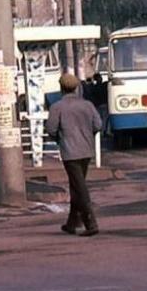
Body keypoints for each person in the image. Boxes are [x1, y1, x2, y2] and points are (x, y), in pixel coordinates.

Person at [46, 73, 102, 237]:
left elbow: (51, 129)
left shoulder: (57, 107)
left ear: (61, 88)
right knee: (76, 185)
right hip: (87, 150)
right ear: (77, 87)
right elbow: (98, 125)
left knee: (79, 187)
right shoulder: (88, 105)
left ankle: (90, 222)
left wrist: (59, 139)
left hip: (70, 152)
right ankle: (72, 223)